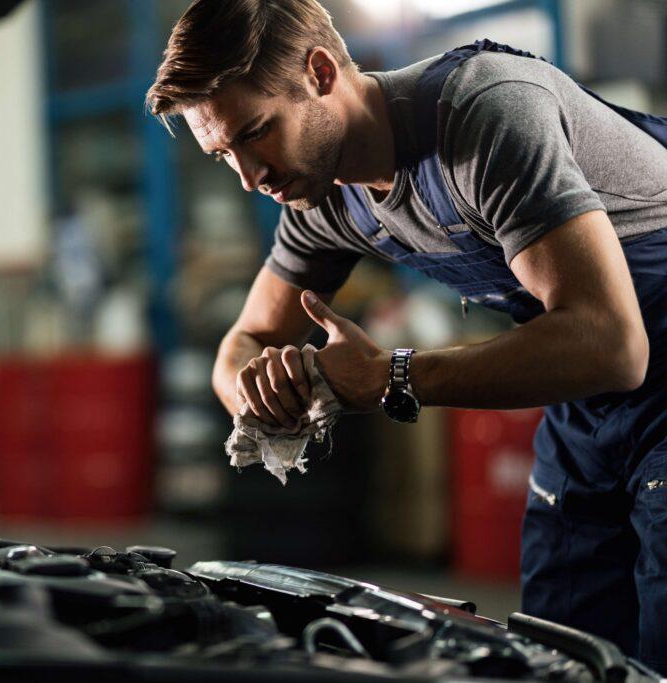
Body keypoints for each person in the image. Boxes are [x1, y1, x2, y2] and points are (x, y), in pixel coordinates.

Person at [146, 0, 667, 671]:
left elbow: (611, 343)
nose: (250, 176)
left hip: (624, 358)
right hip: (588, 403)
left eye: (255, 132)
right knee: (557, 647)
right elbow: (240, 343)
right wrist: (261, 390)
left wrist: (393, 375)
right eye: (223, 154)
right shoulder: (321, 197)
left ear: (321, 71)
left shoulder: (486, 112)